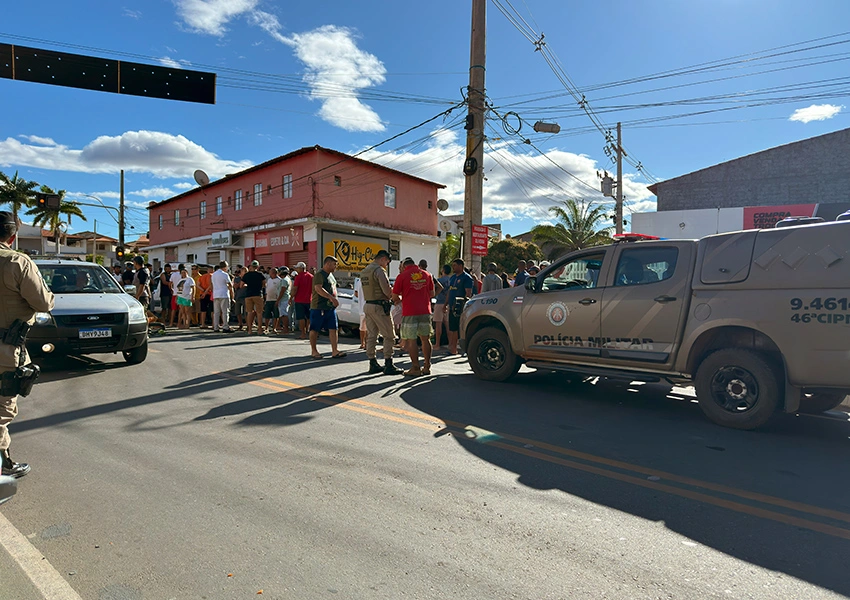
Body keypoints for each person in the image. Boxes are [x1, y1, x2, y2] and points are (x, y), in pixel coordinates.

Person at [0, 212, 54, 478]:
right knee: (2, 408)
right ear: (12, 237)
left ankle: (5, 460)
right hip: (6, 346)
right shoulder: (16, 262)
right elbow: (43, 302)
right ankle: (2, 467)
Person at [360, 249, 403, 375]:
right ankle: (388, 363)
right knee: (389, 335)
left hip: (368, 305)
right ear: (383, 259)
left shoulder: (365, 271)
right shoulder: (379, 271)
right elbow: (387, 291)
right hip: (379, 306)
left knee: (372, 335)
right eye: (387, 262)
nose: (386, 265)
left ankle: (372, 362)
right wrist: (397, 296)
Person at [392, 257, 435, 377]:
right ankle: (427, 366)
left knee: (411, 340)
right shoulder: (427, 274)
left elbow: (394, 296)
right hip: (425, 311)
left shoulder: (402, 276)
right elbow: (432, 293)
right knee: (425, 339)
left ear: (404, 266)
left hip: (410, 311)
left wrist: (403, 298)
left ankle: (415, 367)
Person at [309, 256, 346, 359]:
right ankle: (314, 351)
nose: (336, 267)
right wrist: (331, 298)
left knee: (334, 328)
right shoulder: (319, 275)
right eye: (334, 264)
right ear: (328, 264)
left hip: (330, 308)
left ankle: (335, 350)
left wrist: (335, 299)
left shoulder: (331, 276)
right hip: (319, 307)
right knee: (315, 329)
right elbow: (318, 288)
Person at [446, 258, 474, 355]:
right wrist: (446, 304)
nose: (453, 267)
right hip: (451, 306)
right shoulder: (452, 278)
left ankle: (456, 348)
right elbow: (449, 291)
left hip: (460, 308)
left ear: (460, 266)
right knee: (452, 328)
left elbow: (468, 293)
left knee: (458, 329)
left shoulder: (466, 278)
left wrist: (464, 306)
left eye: (455, 265)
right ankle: (452, 347)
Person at [241, 261, 266, 335]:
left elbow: (241, 285)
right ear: (257, 267)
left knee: (249, 312)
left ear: (251, 266)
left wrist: (247, 285)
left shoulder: (246, 275)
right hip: (258, 294)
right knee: (259, 312)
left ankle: (249, 330)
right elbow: (264, 284)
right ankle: (259, 330)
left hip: (248, 295)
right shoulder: (260, 274)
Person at [290, 262, 313, 339]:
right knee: (309, 317)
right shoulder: (311, 276)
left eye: (297, 268)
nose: (296, 269)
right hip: (309, 300)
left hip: (299, 300)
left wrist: (291, 297)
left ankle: (303, 333)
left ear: (301, 268)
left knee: (301, 317)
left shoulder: (299, 277)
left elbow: (295, 288)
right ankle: (309, 331)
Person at [211, 261, 234, 333]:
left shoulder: (214, 274)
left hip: (216, 294)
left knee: (216, 312)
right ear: (225, 267)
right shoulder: (225, 274)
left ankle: (216, 327)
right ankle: (225, 326)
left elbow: (212, 284)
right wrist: (229, 287)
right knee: (225, 311)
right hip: (224, 294)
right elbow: (230, 285)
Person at [432, 265, 451, 352]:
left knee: (438, 324)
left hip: (439, 302)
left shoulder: (439, 280)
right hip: (448, 303)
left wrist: (434, 295)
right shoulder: (451, 280)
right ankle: (450, 343)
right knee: (448, 325)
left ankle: (437, 344)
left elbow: (436, 289)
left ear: (443, 270)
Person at [263, 267, 283, 334]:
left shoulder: (279, 280)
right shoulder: (269, 280)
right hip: (268, 299)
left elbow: (281, 290)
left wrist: (278, 299)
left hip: (275, 300)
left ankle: (274, 328)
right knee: (267, 315)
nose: (269, 274)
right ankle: (266, 328)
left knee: (276, 315)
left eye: (271, 273)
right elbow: (267, 288)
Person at [168, 263, 185, 327]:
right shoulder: (184, 275)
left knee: (173, 309)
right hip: (182, 294)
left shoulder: (174, 274)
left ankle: (171, 323)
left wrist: (171, 289)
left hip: (175, 293)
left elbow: (170, 283)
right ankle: (179, 323)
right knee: (181, 309)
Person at [353, 275, 367, 349]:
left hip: (362, 307)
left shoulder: (359, 281)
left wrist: (361, 297)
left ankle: (362, 343)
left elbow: (356, 293)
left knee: (362, 327)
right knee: (370, 327)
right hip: (370, 305)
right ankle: (367, 344)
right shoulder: (373, 280)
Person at [276, 267, 291, 334]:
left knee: (284, 315)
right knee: (282, 314)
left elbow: (282, 290)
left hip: (284, 299)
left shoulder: (284, 280)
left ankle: (286, 329)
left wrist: (278, 300)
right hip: (285, 299)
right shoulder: (287, 279)